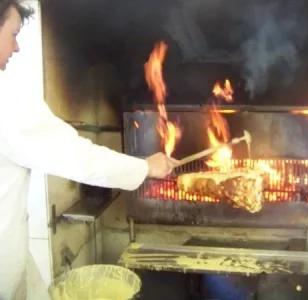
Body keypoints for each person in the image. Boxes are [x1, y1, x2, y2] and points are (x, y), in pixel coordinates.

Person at [0, 0, 179, 299]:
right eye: (13, 34)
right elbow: (73, 155)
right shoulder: (5, 99)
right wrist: (145, 167)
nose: (17, 47)